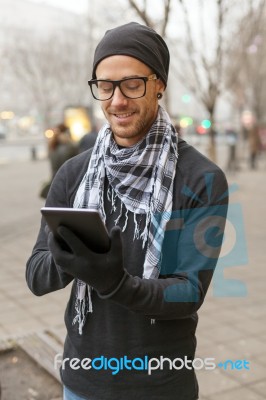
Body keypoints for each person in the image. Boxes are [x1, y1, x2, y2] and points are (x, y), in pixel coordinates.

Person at [26, 22, 228, 400]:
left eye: (132, 84)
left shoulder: (201, 178)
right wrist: (67, 258)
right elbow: (36, 277)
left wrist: (116, 284)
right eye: (105, 85)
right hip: (83, 380)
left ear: (158, 84)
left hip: (162, 384)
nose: (117, 100)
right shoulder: (74, 173)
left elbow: (189, 291)